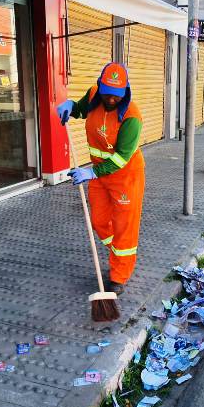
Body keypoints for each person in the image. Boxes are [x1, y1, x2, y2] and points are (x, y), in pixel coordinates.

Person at [57, 63, 145, 295]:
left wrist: (91, 173)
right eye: (107, 93)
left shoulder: (131, 117)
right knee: (99, 220)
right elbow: (80, 109)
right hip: (99, 175)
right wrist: (70, 107)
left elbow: (121, 157)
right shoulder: (95, 95)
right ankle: (118, 252)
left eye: (116, 95)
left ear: (125, 91)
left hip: (126, 177)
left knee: (125, 227)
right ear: (100, 85)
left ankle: (119, 275)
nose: (111, 99)